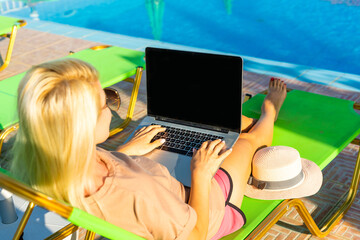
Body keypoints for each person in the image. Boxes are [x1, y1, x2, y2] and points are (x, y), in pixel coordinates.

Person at [10, 58, 287, 240]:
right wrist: (202, 175)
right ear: (82, 126)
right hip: (204, 211)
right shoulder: (135, 192)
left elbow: (112, 182)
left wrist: (127, 151)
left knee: (221, 124)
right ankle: (269, 110)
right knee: (247, 141)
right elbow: (196, 234)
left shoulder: (50, 165)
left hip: (165, 193)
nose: (111, 107)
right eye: (105, 102)